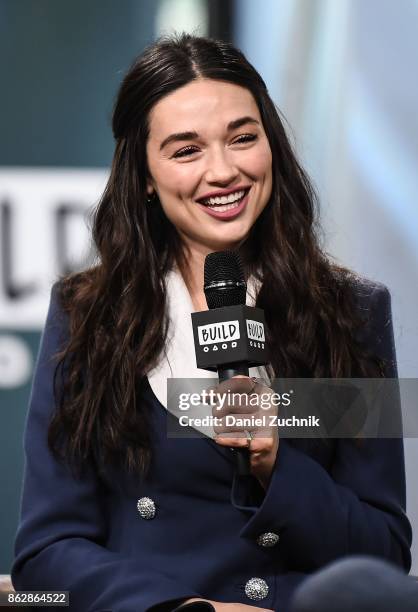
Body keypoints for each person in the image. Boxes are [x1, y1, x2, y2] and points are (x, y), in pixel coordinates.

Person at [12, 33, 412, 612]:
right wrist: (185, 609)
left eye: (243, 139)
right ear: (145, 175)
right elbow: (46, 553)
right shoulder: (88, 316)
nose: (223, 171)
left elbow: (384, 554)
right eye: (185, 150)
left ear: (271, 145)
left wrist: (277, 466)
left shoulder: (350, 310)